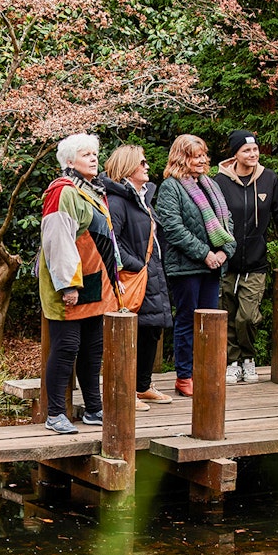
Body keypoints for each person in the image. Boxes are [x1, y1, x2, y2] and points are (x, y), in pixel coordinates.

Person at [37, 133, 122, 434]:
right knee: (66, 346)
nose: (94, 158)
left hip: (94, 280)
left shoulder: (91, 190)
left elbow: (105, 238)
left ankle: (94, 409)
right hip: (71, 281)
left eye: (94, 153)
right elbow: (57, 239)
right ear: (69, 161)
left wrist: (114, 276)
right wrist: (67, 285)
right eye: (86, 154)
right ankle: (55, 413)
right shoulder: (62, 191)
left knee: (92, 348)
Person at [213, 129, 278, 384]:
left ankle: (248, 358)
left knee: (248, 316)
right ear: (235, 154)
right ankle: (231, 361)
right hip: (226, 261)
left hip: (256, 262)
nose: (252, 154)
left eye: (255, 150)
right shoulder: (219, 182)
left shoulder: (269, 179)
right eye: (246, 150)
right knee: (227, 314)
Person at [154, 135, 235, 398]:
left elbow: (227, 222)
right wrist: (205, 254)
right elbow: (173, 228)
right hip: (186, 267)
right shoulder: (170, 187)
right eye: (195, 155)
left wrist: (224, 251)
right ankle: (185, 376)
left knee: (210, 321)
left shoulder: (211, 185)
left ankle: (206, 372)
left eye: (203, 155)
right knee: (188, 320)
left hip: (213, 267)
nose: (202, 160)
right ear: (181, 157)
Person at [102, 145, 173, 411]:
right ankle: (126, 389)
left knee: (152, 330)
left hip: (151, 273)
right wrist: (135, 265)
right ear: (128, 167)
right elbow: (112, 240)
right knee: (133, 332)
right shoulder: (118, 200)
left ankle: (142, 386)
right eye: (141, 162)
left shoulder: (141, 198)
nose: (147, 166)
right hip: (134, 276)